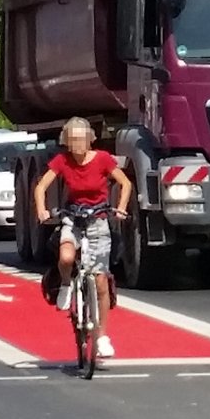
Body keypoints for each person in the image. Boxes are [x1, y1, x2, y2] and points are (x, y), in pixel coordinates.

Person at [32, 118, 132, 359]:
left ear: (89, 140)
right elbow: (40, 187)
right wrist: (42, 210)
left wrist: (120, 208)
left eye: (81, 139)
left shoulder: (102, 159)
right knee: (66, 258)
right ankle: (66, 285)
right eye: (72, 140)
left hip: (98, 219)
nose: (77, 145)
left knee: (99, 281)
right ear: (66, 142)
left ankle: (102, 337)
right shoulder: (62, 161)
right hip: (72, 218)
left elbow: (125, 183)